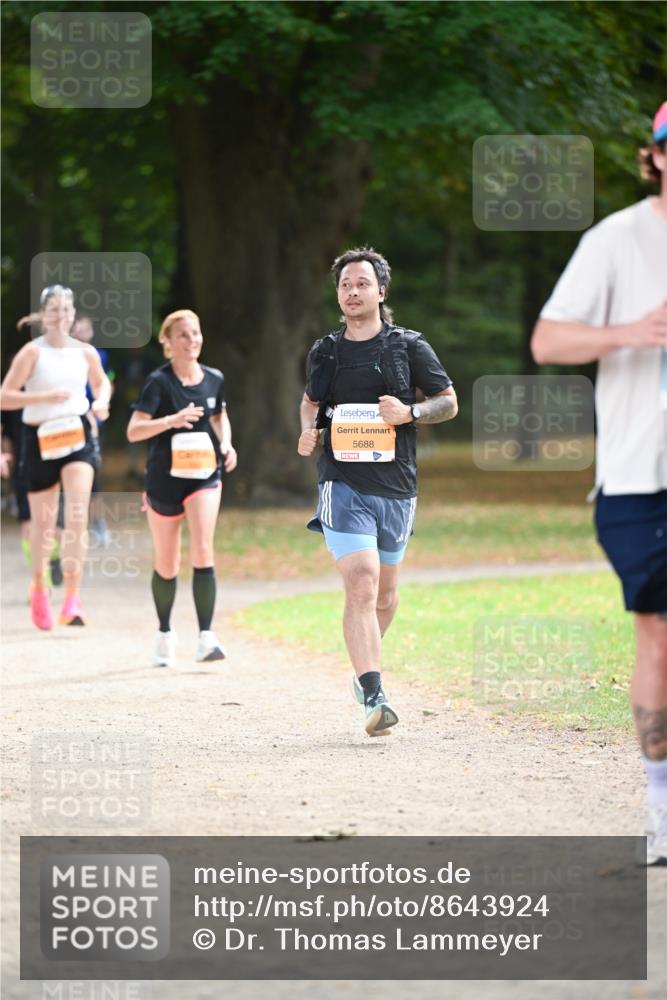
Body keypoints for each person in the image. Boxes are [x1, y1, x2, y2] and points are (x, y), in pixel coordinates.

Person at [531, 101, 667, 864]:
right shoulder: (616, 239)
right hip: (642, 478)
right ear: (656, 156)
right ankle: (658, 803)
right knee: (658, 634)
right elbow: (547, 341)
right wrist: (632, 332)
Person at [298, 247, 457, 736]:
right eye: (345, 285)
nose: (353, 292)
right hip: (342, 482)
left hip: (396, 487)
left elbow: (448, 402)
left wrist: (411, 413)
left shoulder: (408, 347)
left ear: (381, 292)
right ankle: (375, 693)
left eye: (362, 284)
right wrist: (308, 431)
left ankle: (362, 670)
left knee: (385, 597)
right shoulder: (326, 351)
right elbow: (310, 402)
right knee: (362, 582)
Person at [126, 309, 237, 667]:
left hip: (204, 475)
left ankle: (206, 637)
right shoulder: (158, 383)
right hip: (163, 480)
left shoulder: (214, 378)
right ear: (168, 343)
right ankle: (164, 634)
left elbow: (219, 415)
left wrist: (226, 443)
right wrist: (171, 421)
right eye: (183, 335)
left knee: (203, 547)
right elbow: (134, 430)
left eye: (196, 333)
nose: (192, 340)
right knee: (167, 561)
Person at [0, 285, 111, 629]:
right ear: (43, 315)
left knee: (77, 515)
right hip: (40, 438)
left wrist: (101, 401)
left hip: (78, 436)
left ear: (73, 314)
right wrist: (43, 397)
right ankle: (39, 587)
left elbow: (101, 383)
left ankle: (73, 598)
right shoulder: (32, 353)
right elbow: (5, 396)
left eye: (66, 309)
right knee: (43, 523)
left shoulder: (85, 352)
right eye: (54, 309)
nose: (61, 315)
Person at [70, 314, 116, 547]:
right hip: (65, 422)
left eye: (85, 329)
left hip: (92, 423)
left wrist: (101, 404)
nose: (81, 334)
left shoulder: (100, 355)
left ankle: (98, 523)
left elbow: (108, 382)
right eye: (77, 329)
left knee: (93, 475)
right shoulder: (61, 355)